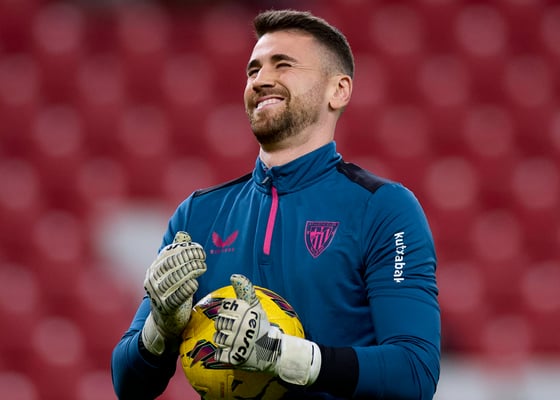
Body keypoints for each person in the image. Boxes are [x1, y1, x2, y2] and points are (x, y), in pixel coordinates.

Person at [111, 9, 440, 400]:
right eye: (253, 70)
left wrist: (283, 356)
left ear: (338, 90)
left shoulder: (383, 209)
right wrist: (159, 329)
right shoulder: (198, 215)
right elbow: (127, 385)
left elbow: (414, 372)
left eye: (283, 65)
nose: (261, 80)